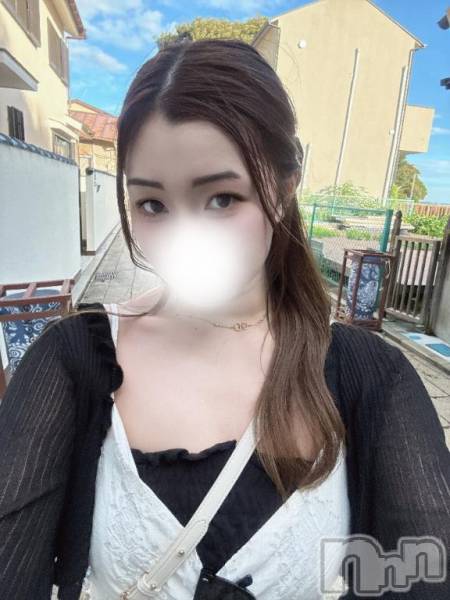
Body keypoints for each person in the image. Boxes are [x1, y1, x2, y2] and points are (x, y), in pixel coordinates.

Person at [0, 38, 449, 600]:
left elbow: (425, 572)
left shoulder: (368, 377)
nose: (184, 238)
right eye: (152, 205)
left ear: (283, 190)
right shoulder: (73, 361)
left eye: (221, 199)